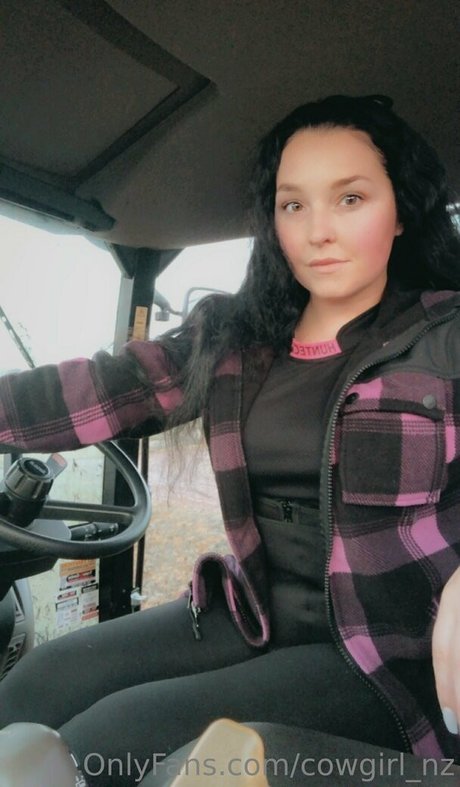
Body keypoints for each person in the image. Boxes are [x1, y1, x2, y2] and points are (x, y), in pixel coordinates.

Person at [0, 94, 459, 785]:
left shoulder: (446, 337)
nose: (318, 231)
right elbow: (100, 387)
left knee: (100, 743)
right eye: (293, 205)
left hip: (379, 654)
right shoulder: (237, 338)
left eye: (351, 198)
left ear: (401, 211)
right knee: (38, 683)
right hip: (250, 610)